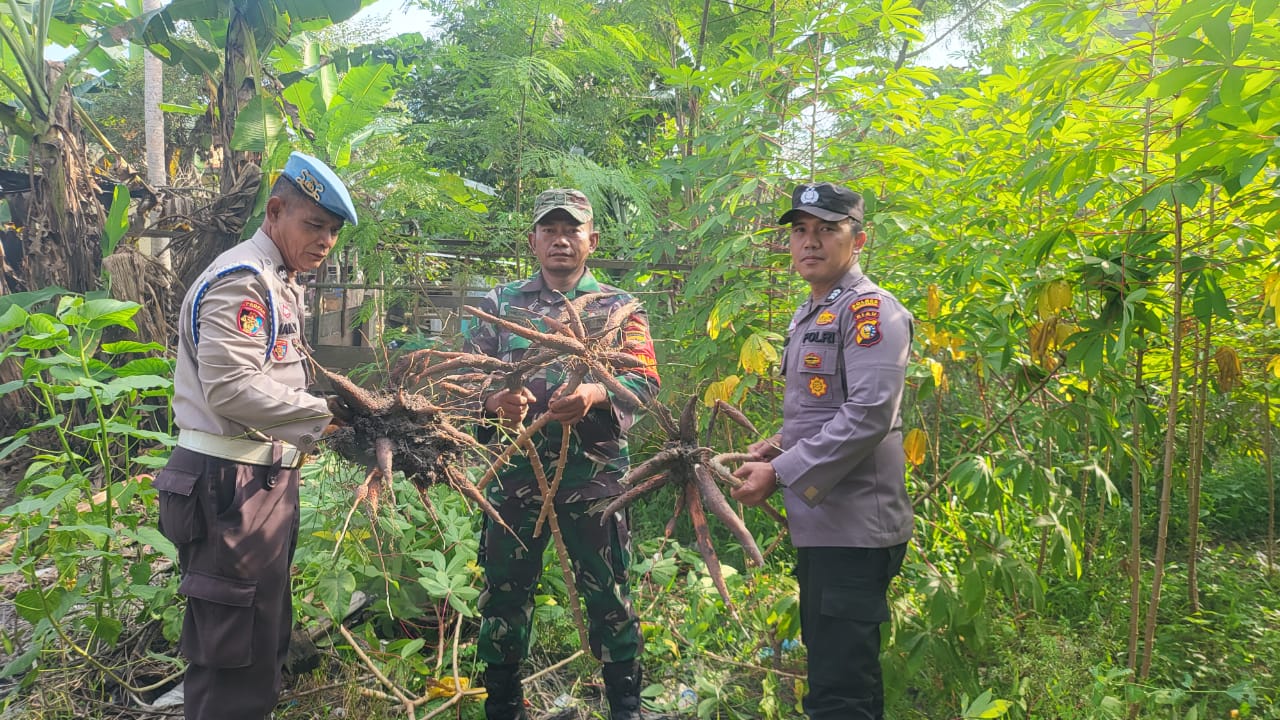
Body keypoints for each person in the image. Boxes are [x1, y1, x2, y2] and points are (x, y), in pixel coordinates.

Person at [151, 152, 358, 720]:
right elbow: (232, 388)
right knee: (232, 655)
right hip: (229, 487)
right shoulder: (242, 280)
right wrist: (325, 417)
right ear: (274, 211)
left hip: (257, 482)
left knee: (261, 637)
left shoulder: (278, 280)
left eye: (333, 232)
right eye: (314, 225)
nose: (325, 241)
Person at [464, 189, 660, 720]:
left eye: (571, 230)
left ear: (591, 240)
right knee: (503, 596)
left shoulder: (620, 308)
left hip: (592, 479)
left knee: (610, 595)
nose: (560, 240)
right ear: (532, 241)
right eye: (549, 230)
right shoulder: (498, 305)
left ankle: (626, 707)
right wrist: (492, 400)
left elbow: (645, 381)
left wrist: (593, 395)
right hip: (515, 476)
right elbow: (463, 377)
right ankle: (504, 706)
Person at [731, 182, 913, 720]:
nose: (810, 242)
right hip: (825, 525)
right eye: (800, 231)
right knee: (840, 676)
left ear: (858, 240)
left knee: (840, 693)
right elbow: (824, 411)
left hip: (855, 531)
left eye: (827, 230)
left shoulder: (871, 312)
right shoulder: (813, 311)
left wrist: (781, 472)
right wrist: (778, 444)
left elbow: (869, 414)